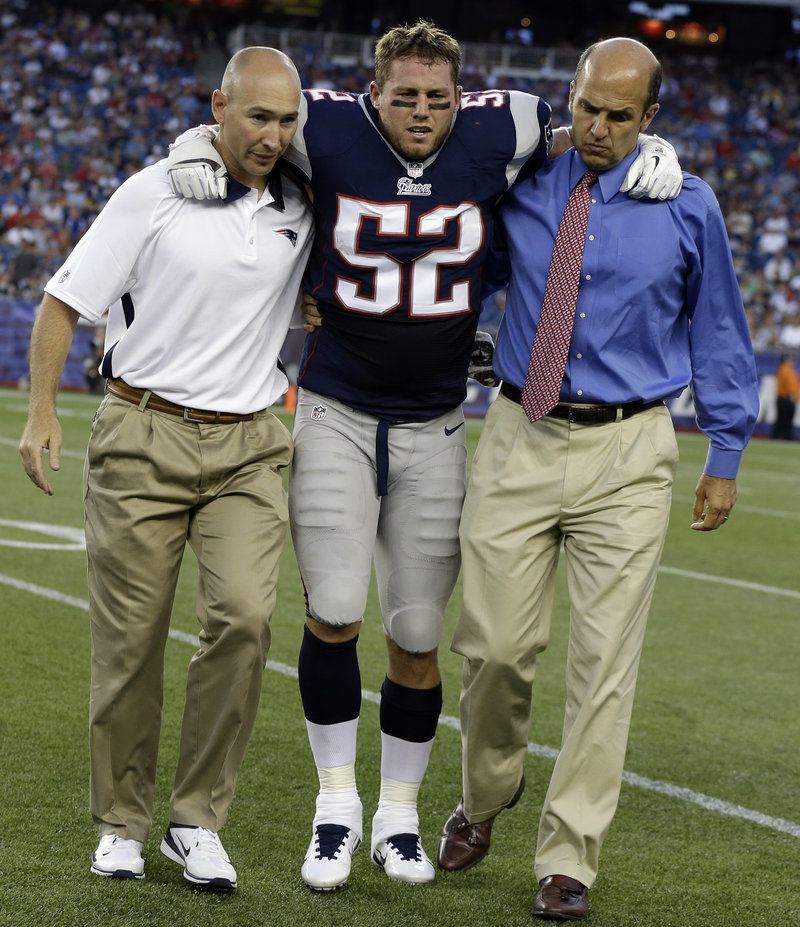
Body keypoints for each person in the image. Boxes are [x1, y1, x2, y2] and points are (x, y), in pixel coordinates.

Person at [165, 21, 683, 892]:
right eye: (403, 95)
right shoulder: (324, 124)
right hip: (333, 408)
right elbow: (257, 126)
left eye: (437, 98)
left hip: (437, 420)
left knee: (417, 633)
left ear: (462, 96)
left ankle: (398, 817)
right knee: (332, 612)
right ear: (373, 91)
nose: (420, 111)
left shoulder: (503, 125)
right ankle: (337, 808)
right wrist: (190, 137)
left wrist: (653, 145)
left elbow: (585, 131)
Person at [436, 38, 760, 921]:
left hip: (630, 448)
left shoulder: (688, 206)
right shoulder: (524, 183)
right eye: (587, 108)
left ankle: (569, 853)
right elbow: (463, 258)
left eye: (622, 115)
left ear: (652, 120)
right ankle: (486, 795)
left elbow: (720, 331)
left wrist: (723, 456)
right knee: (494, 648)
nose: (599, 127)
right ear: (567, 98)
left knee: (604, 664)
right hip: (517, 431)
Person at [18, 47, 314, 889]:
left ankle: (195, 821)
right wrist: (43, 412)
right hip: (142, 433)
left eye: (288, 120)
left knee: (248, 620)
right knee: (130, 643)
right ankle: (122, 820)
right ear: (218, 106)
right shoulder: (151, 191)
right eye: (257, 116)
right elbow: (62, 301)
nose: (273, 134)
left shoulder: (303, 200)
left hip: (250, 445)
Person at [772, 354, 799, 439]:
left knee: (784, 420)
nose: (793, 361)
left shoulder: (786, 369)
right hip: (786, 398)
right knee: (784, 419)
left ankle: (784, 435)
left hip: (785, 398)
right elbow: (789, 384)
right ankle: (780, 436)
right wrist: (792, 395)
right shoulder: (785, 369)